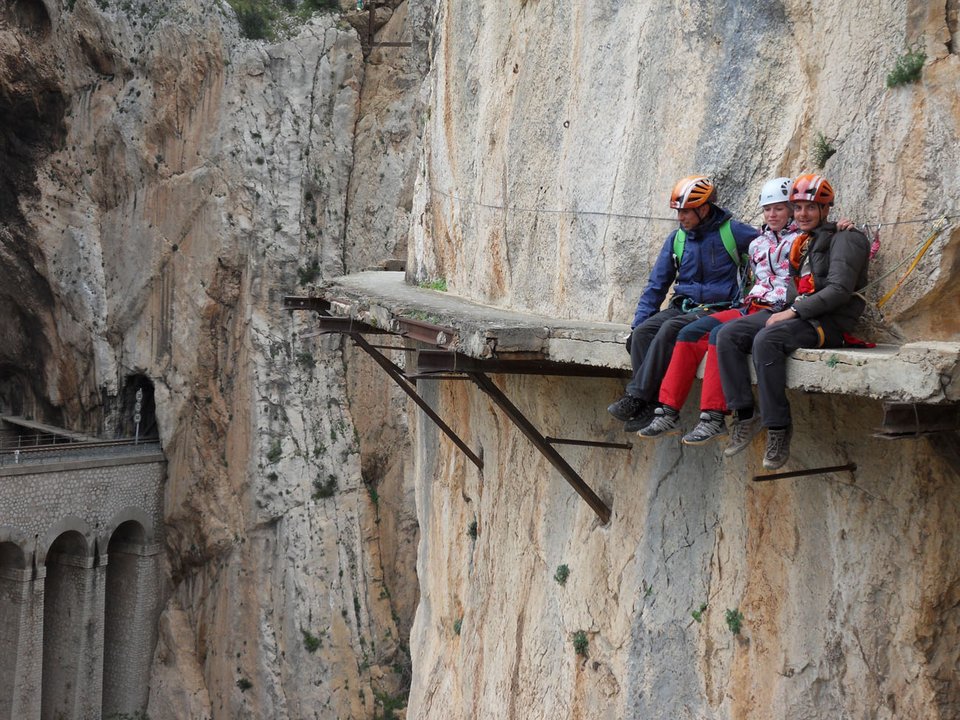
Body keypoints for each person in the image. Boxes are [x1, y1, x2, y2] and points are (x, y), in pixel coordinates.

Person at [715, 174, 870, 469]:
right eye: (797, 208)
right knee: (728, 335)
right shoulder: (808, 240)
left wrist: (792, 312)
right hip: (801, 313)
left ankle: (778, 428)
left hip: (829, 323)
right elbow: (798, 285)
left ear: (826, 209)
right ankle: (745, 415)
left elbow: (838, 290)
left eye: (810, 208)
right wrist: (785, 309)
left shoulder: (847, 239)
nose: (802, 214)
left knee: (767, 340)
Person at [637, 177, 800, 443]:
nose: (772, 214)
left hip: (781, 309)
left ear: (791, 210)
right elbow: (657, 283)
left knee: (719, 335)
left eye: (779, 209)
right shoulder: (760, 242)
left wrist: (838, 228)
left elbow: (825, 244)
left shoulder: (802, 240)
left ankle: (714, 416)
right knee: (690, 333)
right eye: (767, 209)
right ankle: (668, 409)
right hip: (752, 306)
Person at [607, 176, 758, 431]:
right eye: (678, 211)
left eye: (686, 211)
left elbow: (774, 243)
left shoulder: (733, 232)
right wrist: (638, 323)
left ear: (704, 208)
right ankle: (650, 406)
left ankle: (637, 397)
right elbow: (657, 284)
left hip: (719, 308)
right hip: (683, 305)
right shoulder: (677, 239)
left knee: (669, 330)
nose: (681, 217)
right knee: (644, 333)